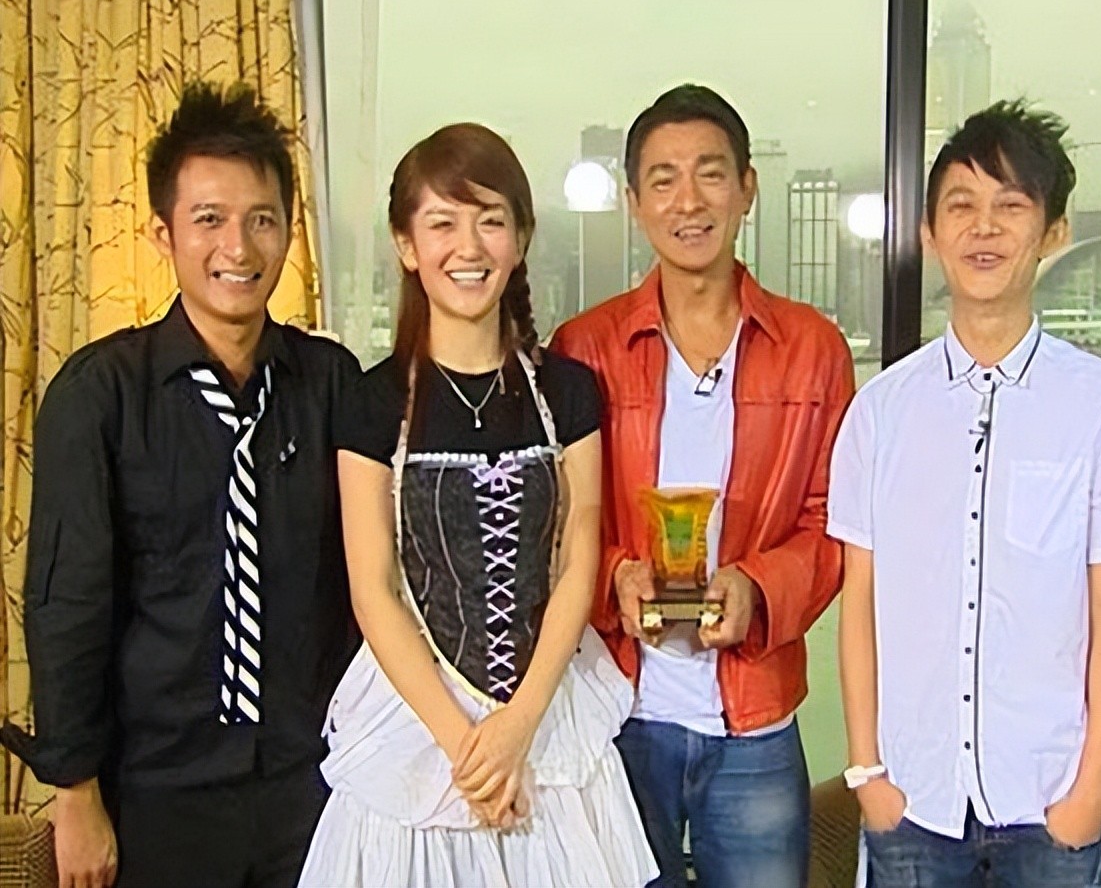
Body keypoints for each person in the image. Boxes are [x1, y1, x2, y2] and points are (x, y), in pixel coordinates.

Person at [0, 81, 373, 888]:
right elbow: (67, 607)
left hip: (314, 785)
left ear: (288, 230)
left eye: (261, 219)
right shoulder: (101, 394)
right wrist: (75, 793)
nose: (238, 247)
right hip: (154, 793)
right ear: (163, 233)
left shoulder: (331, 383)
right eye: (209, 219)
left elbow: (377, 575)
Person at [827, 99, 1101, 886]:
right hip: (912, 803)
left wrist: (1091, 795)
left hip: (1051, 805)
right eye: (960, 206)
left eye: (1010, 206)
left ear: (1053, 232)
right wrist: (867, 774)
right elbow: (860, 604)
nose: (983, 228)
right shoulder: (880, 412)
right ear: (929, 234)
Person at [297, 123, 656, 887]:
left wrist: (518, 726)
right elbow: (373, 588)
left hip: (550, 719)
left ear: (520, 239)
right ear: (405, 244)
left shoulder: (567, 392)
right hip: (413, 725)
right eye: (442, 224)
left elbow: (577, 556)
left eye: (491, 220)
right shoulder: (371, 403)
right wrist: (468, 751)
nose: (469, 246)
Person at [551, 84, 855, 888]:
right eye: (663, 179)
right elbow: (554, 516)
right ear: (634, 202)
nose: (688, 201)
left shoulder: (813, 349)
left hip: (754, 718)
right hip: (615, 709)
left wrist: (759, 588)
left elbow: (834, 523)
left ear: (747, 188)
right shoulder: (583, 349)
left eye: (711, 174)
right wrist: (614, 575)